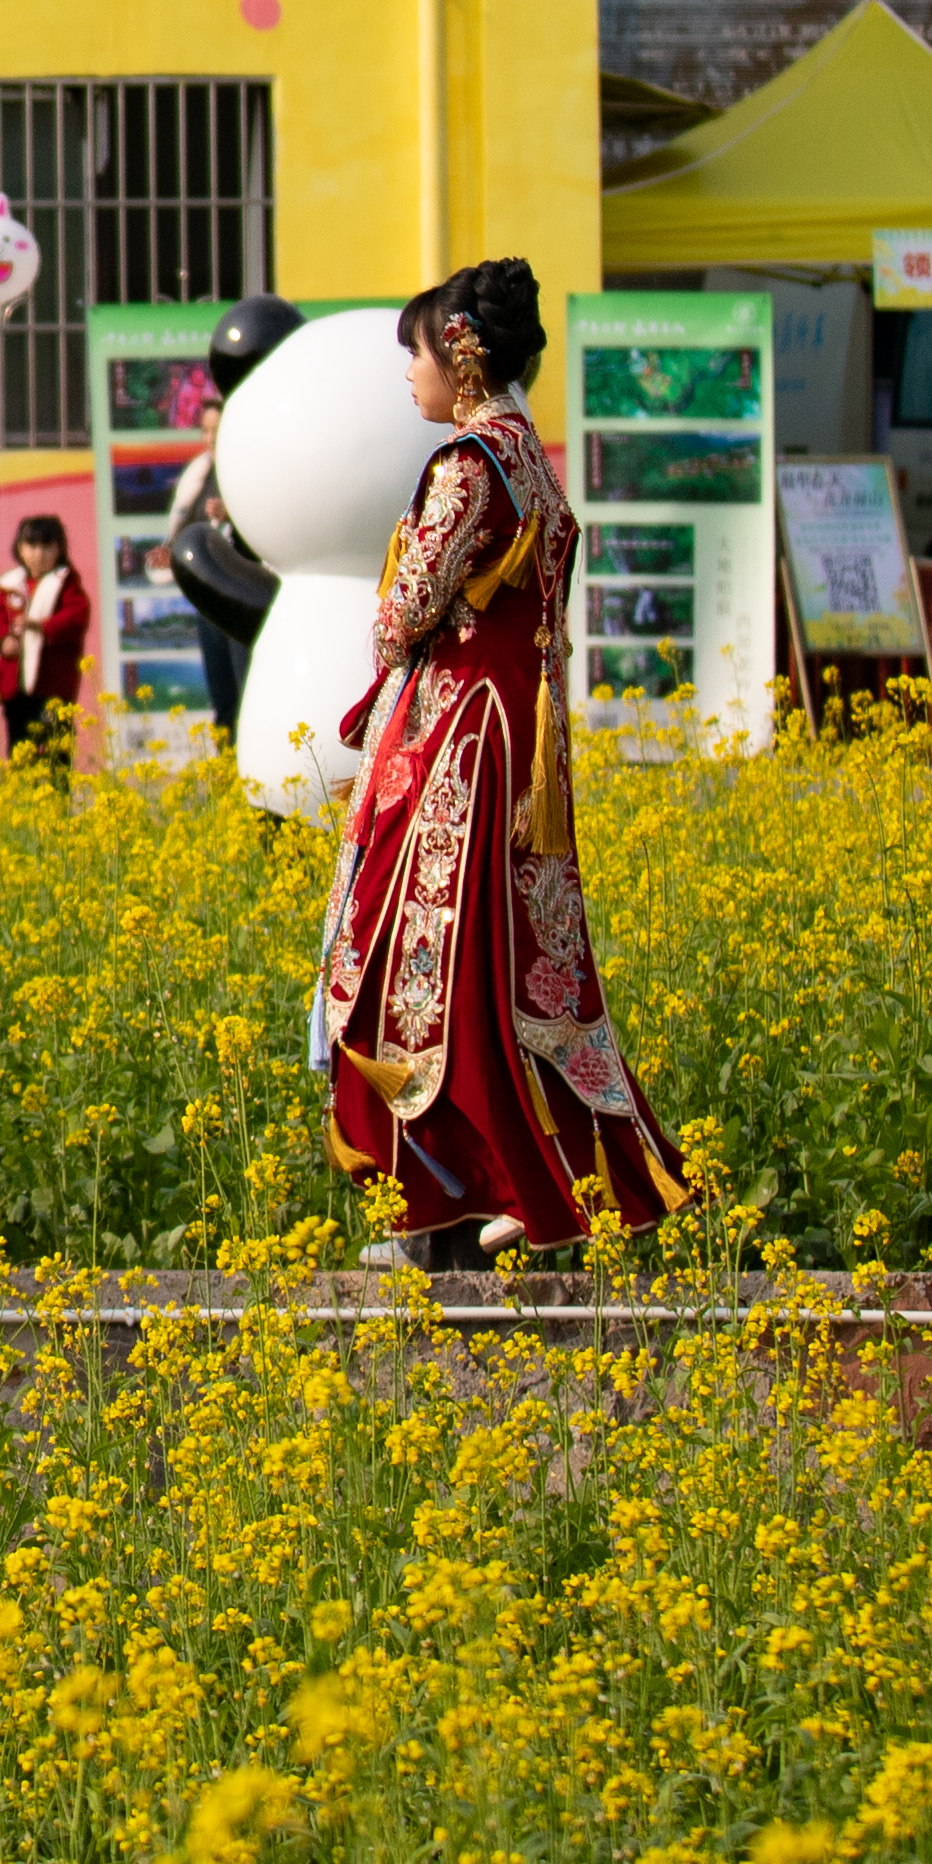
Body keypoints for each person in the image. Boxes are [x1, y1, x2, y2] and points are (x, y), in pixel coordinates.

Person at [316, 262, 688, 1275]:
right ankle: (534, 1185)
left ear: (463, 354)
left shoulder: (465, 467)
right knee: (515, 956)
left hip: (455, 740)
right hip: (523, 744)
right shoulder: (535, 461)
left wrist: (386, 621)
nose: (409, 374)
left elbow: (404, 615)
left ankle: (459, 1190)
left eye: (417, 353)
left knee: (422, 964)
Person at [160, 295, 303, 714]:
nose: (209, 439)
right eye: (204, 431)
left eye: (217, 429)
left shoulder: (257, 465)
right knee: (222, 696)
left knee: (248, 694)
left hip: (249, 586)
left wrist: (235, 513)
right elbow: (183, 527)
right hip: (212, 594)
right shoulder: (198, 476)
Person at [0, 515, 92, 770]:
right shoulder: (11, 584)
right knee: (20, 748)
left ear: (60, 550)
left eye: (47, 547)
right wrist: (3, 640)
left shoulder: (66, 583)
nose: (38, 554)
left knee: (57, 747)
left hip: (53, 686)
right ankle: (26, 801)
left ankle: (56, 799)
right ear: (19, 549)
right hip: (16, 688)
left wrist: (40, 626)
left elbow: (77, 616)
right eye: (31, 546)